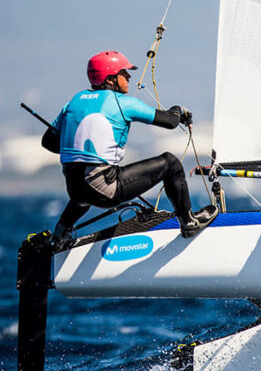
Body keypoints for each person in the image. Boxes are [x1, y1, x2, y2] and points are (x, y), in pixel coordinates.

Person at [43, 50, 217, 246]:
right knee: (170, 163)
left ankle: (59, 235)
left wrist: (77, 148)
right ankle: (189, 222)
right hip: (106, 190)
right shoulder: (122, 103)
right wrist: (179, 111)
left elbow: (48, 142)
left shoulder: (73, 103)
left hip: (75, 190)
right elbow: (169, 122)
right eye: (123, 73)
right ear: (110, 80)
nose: (129, 76)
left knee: (85, 188)